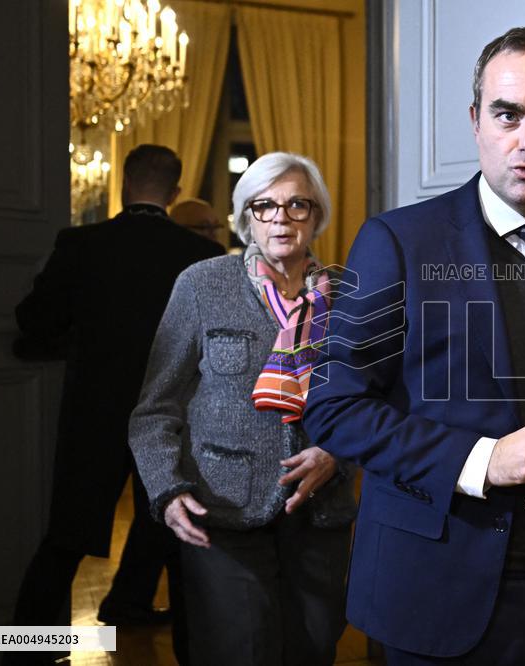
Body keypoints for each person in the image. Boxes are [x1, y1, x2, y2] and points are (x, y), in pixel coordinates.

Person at [304, 25, 525, 664]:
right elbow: (334, 408)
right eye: (508, 114)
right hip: (437, 586)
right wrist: (481, 460)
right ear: (475, 121)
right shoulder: (396, 242)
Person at [129, 151, 357, 666]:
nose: (281, 218)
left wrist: (335, 454)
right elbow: (155, 409)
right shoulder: (202, 284)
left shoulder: (348, 295)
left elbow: (373, 401)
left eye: (297, 205)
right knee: (239, 651)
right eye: (264, 205)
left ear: (317, 214)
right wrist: (167, 490)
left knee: (313, 648)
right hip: (222, 511)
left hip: (320, 515)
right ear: (246, 216)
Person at [9, 144, 224, 664]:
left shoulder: (81, 244)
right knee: (179, 548)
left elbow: (34, 321)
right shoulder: (200, 255)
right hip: (172, 421)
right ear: (175, 192)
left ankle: (21, 656)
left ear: (124, 185)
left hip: (93, 417)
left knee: (63, 544)